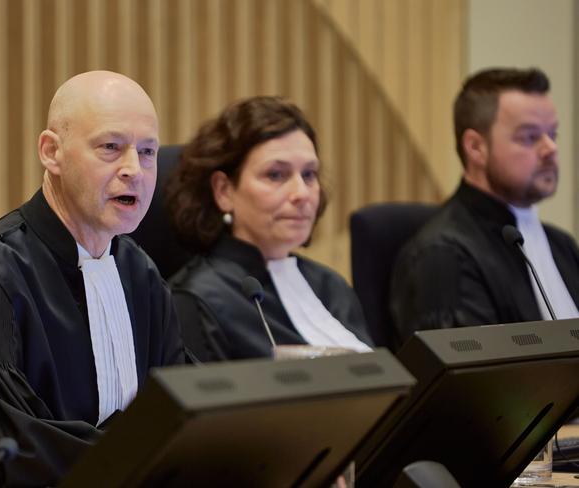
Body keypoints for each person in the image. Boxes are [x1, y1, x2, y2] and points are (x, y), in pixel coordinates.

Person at [0, 71, 184, 486]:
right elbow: (0, 448)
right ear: (51, 152)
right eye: (111, 147)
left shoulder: (142, 275)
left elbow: (180, 406)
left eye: (149, 152)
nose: (134, 169)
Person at [166, 96, 373, 362]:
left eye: (309, 175)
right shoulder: (197, 300)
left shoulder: (330, 286)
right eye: (276, 175)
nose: (301, 193)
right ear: (224, 191)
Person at [390, 67, 579, 347]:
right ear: (476, 147)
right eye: (530, 137)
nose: (550, 149)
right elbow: (474, 384)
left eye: (553, 134)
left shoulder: (562, 246)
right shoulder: (443, 256)